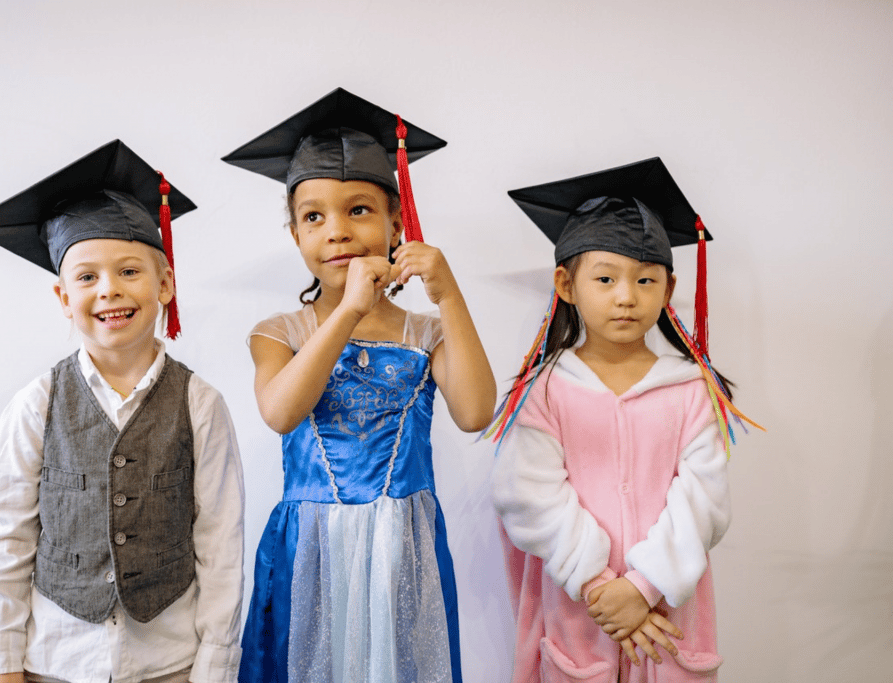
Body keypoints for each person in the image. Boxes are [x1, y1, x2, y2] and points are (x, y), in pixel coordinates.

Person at [222, 88, 496, 683]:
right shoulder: (280, 332)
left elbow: (475, 412)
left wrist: (449, 295)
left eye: (360, 211)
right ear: (296, 236)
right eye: (314, 216)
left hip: (404, 549)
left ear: (397, 224)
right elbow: (279, 411)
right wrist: (347, 310)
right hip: (310, 550)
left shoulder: (425, 333)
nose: (337, 231)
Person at [0, 140, 245, 683]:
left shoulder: (201, 404)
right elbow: (9, 542)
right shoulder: (35, 404)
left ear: (166, 283)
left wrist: (215, 667)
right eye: (87, 277)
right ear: (63, 298)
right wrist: (1, 665)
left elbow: (221, 546)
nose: (109, 290)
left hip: (172, 663)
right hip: (56, 661)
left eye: (129, 271)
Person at [488, 158, 762, 683]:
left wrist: (642, 588)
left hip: (667, 611)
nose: (626, 296)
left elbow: (704, 499)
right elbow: (528, 493)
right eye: (606, 278)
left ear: (668, 287)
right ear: (566, 285)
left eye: (645, 279)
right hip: (580, 610)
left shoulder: (689, 390)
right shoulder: (545, 389)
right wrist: (600, 588)